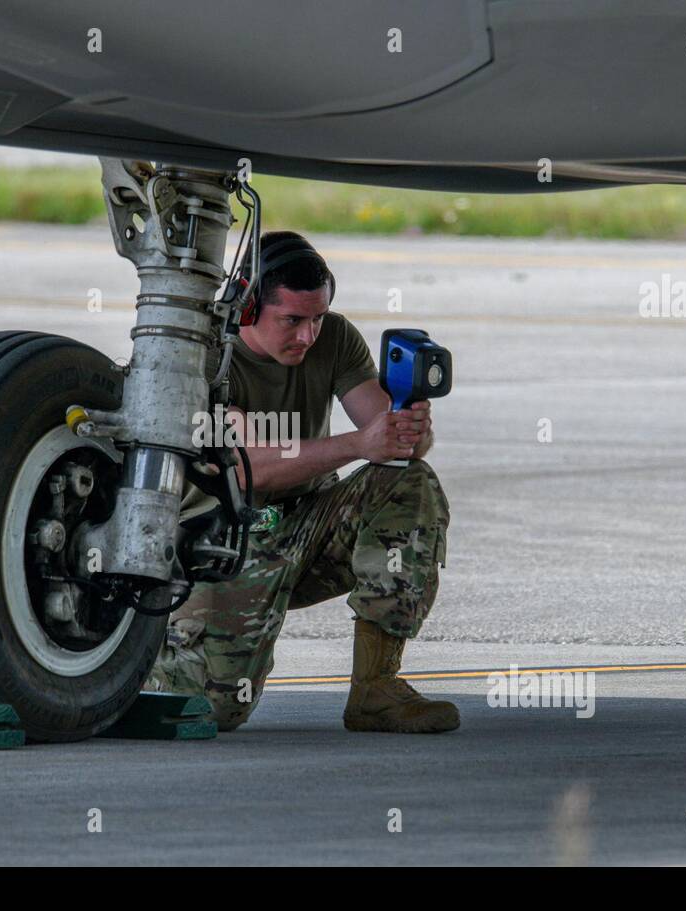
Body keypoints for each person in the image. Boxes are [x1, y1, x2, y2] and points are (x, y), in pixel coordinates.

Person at [144, 231, 456, 733]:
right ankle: (153, 649)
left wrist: (407, 430)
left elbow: (388, 439)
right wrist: (360, 443)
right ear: (248, 309)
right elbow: (249, 468)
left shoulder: (333, 337)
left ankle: (376, 688)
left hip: (306, 530)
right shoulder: (206, 355)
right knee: (213, 711)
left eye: (317, 318)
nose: (308, 336)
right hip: (220, 545)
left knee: (408, 483)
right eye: (291, 320)